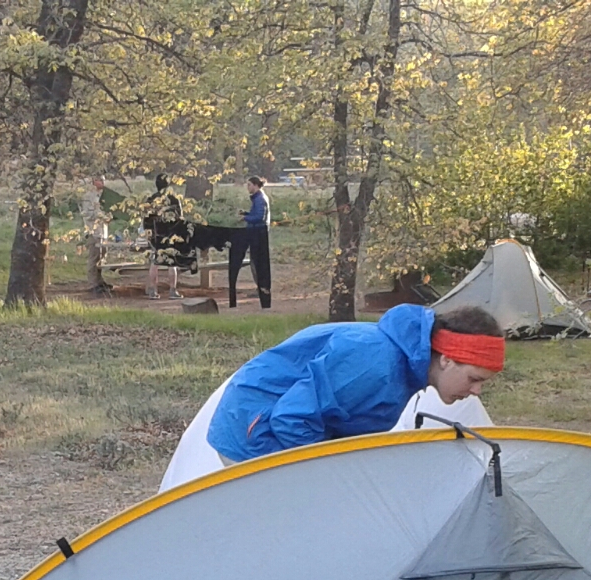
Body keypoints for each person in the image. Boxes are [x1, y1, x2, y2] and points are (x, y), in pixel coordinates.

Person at [206, 305, 505, 463]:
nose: (476, 392)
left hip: (278, 423)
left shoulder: (405, 368)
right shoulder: (375, 365)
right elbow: (290, 418)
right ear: (446, 359)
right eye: (474, 379)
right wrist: (335, 476)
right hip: (254, 426)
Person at [230, 175, 273, 310]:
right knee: (255, 261)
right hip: (255, 232)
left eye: (249, 185)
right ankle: (259, 286)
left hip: (258, 233)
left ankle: (261, 287)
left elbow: (259, 217)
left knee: (258, 262)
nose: (247, 188)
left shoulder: (260, 199)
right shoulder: (258, 199)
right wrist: (247, 213)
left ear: (255, 185)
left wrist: (246, 218)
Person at [142, 174, 187, 300]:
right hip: (170, 234)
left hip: (156, 234)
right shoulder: (174, 199)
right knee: (171, 263)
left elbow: (146, 221)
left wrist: (149, 232)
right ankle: (172, 290)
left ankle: (152, 290)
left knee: (155, 262)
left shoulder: (151, 199)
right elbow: (180, 219)